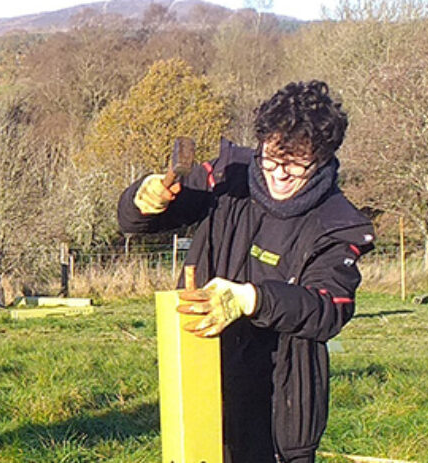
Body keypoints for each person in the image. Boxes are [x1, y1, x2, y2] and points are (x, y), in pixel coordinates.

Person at [117, 81, 374, 463]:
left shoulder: (338, 224)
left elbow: (328, 308)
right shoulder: (226, 177)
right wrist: (143, 198)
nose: (279, 174)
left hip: (279, 403)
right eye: (271, 159)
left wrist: (249, 298)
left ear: (322, 158)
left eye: (296, 163)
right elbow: (134, 221)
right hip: (199, 375)